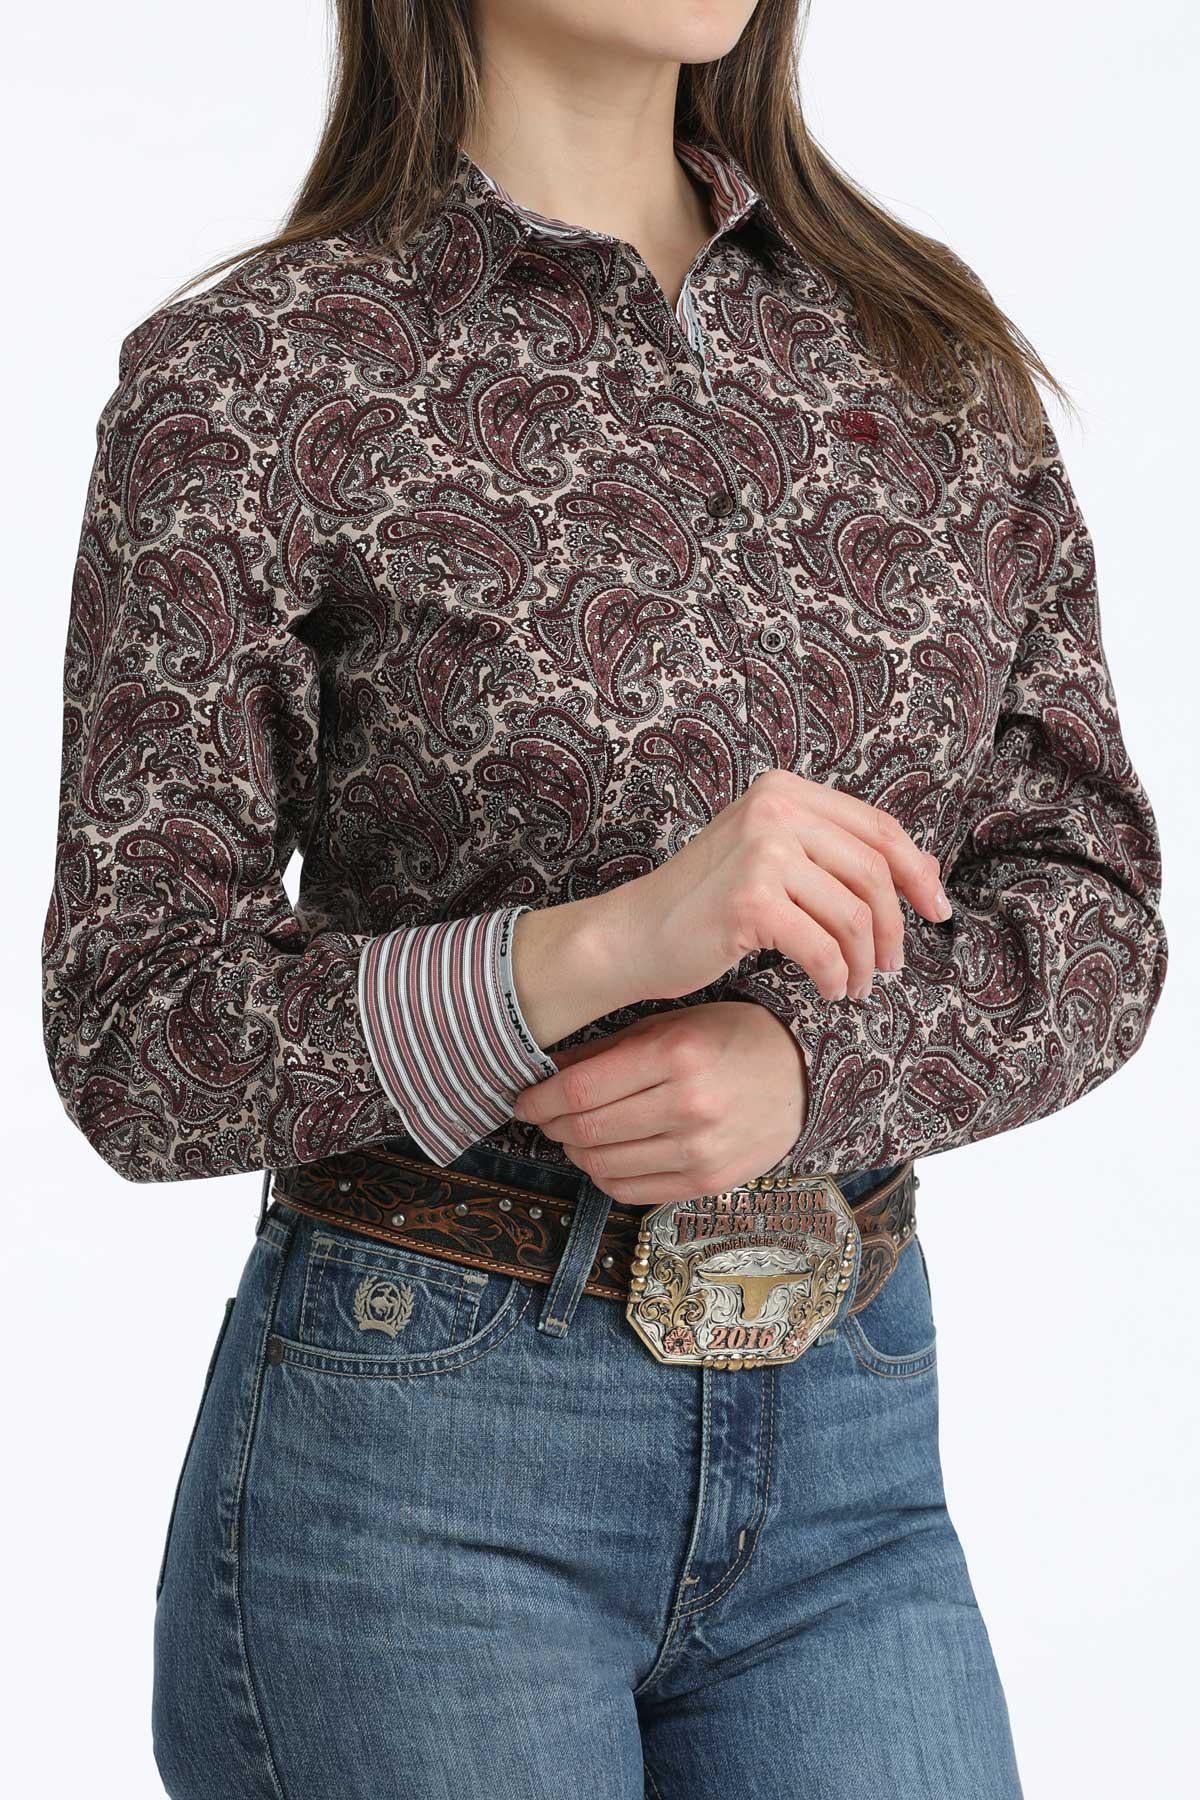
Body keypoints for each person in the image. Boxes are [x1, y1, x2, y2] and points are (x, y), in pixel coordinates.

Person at [40, 3, 1168, 1797]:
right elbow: (134, 1030)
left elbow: (1091, 900)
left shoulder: (922, 353)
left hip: (852, 1449)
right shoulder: (253, 378)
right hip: (422, 1472)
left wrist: (800, 1069)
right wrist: (591, 952)